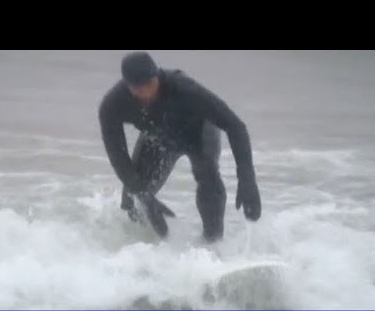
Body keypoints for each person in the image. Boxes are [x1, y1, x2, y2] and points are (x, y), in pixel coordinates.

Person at [98, 51, 261, 242]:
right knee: (133, 200)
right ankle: (153, 251)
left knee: (207, 176)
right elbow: (117, 153)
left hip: (198, 134)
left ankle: (213, 244)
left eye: (150, 84)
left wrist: (247, 179)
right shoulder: (112, 105)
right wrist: (142, 193)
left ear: (156, 76)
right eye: (139, 88)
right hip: (158, 140)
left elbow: (235, 126)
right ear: (128, 87)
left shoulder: (183, 88)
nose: (147, 91)